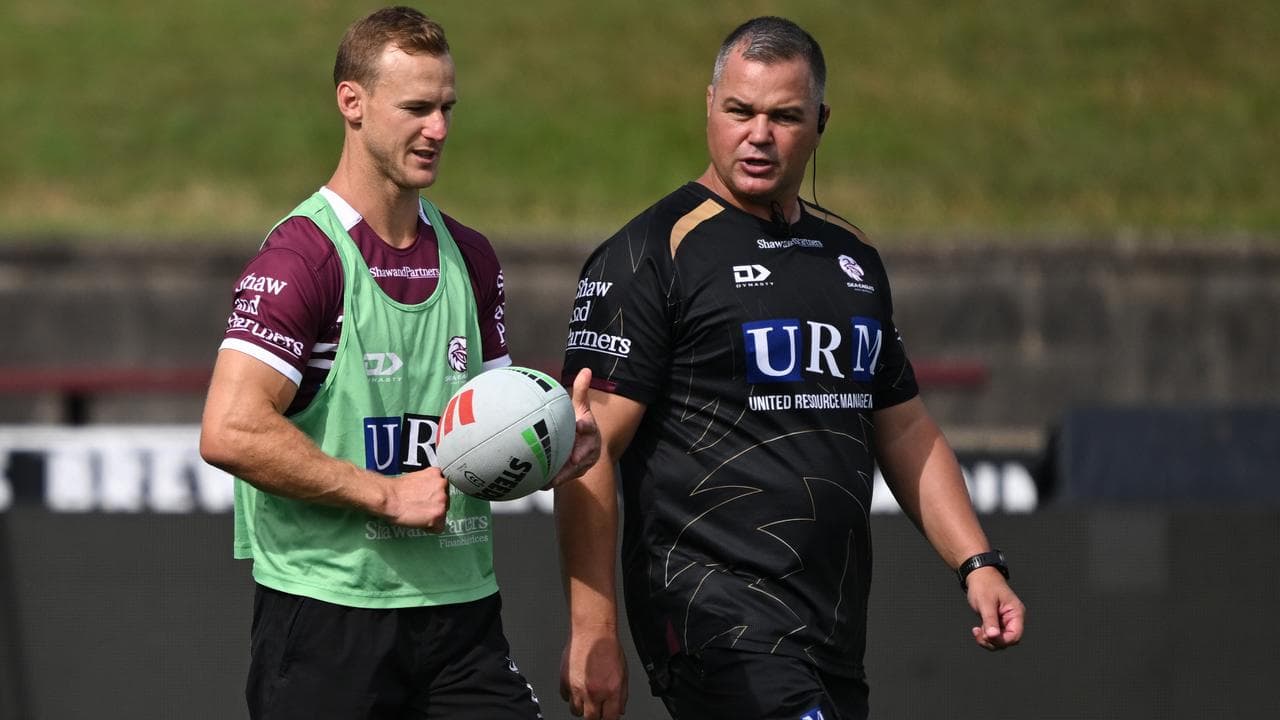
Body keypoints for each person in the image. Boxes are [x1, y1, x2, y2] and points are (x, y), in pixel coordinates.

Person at [555, 15, 1025, 720]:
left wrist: (979, 562)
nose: (758, 134)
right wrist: (593, 631)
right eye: (739, 110)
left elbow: (903, 430)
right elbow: (584, 450)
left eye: (784, 116)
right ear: (708, 106)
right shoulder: (650, 254)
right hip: (715, 618)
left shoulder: (853, 255)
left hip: (831, 625)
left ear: (821, 123)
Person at [199, 7, 599, 719]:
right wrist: (383, 494)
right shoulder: (304, 258)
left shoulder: (471, 256)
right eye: (417, 108)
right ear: (352, 103)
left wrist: (552, 444)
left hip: (462, 616)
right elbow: (230, 429)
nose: (439, 129)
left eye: (447, 107)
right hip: (329, 619)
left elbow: (479, 434)